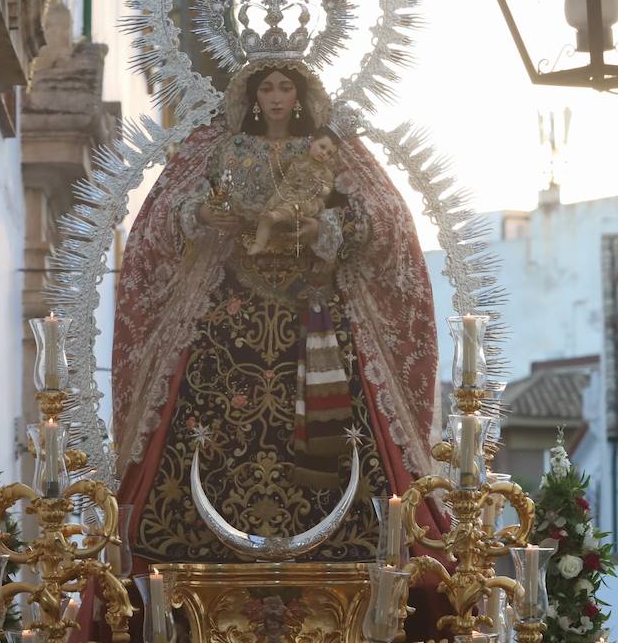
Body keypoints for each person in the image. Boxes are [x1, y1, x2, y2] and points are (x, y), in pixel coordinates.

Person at [108, 54, 444, 564]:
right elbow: (163, 215)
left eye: (286, 86)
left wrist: (322, 229)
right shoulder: (220, 148)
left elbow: (385, 219)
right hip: (227, 321)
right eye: (267, 87)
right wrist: (201, 213)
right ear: (251, 95)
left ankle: (353, 563)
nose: (277, 97)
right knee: (210, 434)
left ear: (302, 94)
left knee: (345, 449)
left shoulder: (331, 150)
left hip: (318, 318)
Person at [246, 127, 338, 256]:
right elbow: (280, 171)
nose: (324, 153)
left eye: (329, 153)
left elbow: (327, 190)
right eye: (322, 147)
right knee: (265, 215)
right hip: (285, 193)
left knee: (287, 209)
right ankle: (259, 244)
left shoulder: (325, 173)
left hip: (305, 201)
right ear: (312, 141)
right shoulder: (297, 159)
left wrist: (321, 188)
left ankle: (276, 216)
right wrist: (275, 157)